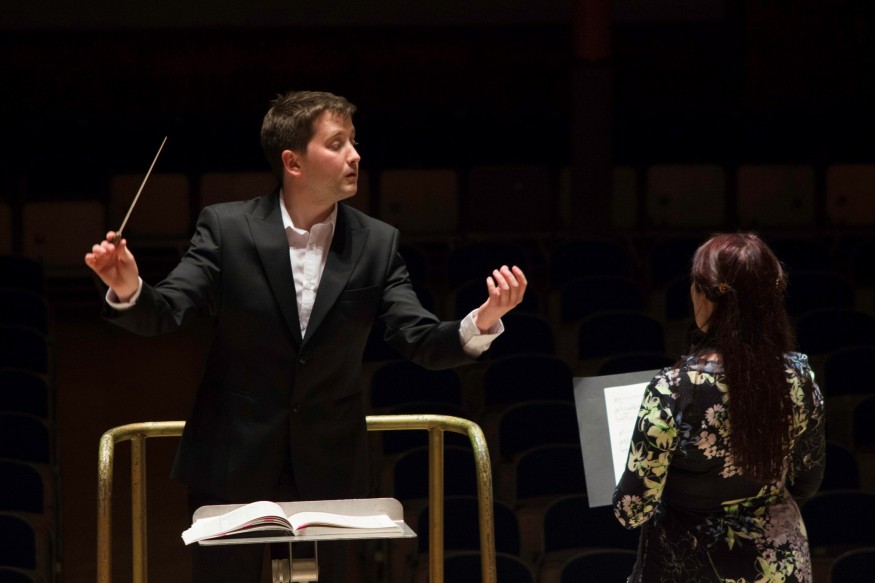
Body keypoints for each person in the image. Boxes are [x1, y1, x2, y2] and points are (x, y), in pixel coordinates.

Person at [84, 90, 527, 582]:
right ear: (292, 162)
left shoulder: (377, 242)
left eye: (353, 141)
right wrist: (128, 288)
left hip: (329, 465)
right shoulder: (228, 228)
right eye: (337, 144)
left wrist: (482, 321)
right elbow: (167, 311)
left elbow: (418, 338)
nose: (355, 155)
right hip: (231, 460)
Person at [612, 233, 825, 582]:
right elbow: (806, 483)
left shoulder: (671, 390)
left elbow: (632, 510)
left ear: (707, 297)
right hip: (776, 564)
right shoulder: (799, 379)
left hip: (689, 565)